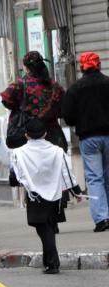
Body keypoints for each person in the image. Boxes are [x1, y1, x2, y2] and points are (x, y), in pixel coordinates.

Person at [10, 118, 83, 274]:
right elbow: (66, 173)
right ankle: (49, 261)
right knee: (48, 226)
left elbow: (16, 177)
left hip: (34, 195)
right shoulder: (57, 151)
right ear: (45, 134)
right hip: (55, 195)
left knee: (43, 228)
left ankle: (52, 262)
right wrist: (76, 191)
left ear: (26, 135)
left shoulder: (18, 153)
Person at [62, 51, 109, 233]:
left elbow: (68, 116)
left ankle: (102, 219)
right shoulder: (107, 83)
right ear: (98, 65)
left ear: (82, 67)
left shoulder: (75, 88)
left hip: (89, 138)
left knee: (95, 178)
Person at [0, 50, 67, 150]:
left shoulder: (19, 85)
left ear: (26, 68)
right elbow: (62, 109)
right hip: (51, 137)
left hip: (26, 138)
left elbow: (6, 99)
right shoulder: (54, 86)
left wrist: (19, 108)